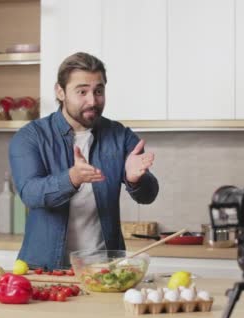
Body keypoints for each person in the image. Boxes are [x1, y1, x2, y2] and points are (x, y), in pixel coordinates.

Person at [9, 52, 159, 270]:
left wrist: (135, 179)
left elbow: (149, 195)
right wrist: (72, 178)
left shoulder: (120, 136)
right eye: (82, 92)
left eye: (98, 91)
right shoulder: (30, 137)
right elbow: (30, 193)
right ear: (60, 92)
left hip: (105, 269)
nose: (92, 101)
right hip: (45, 269)